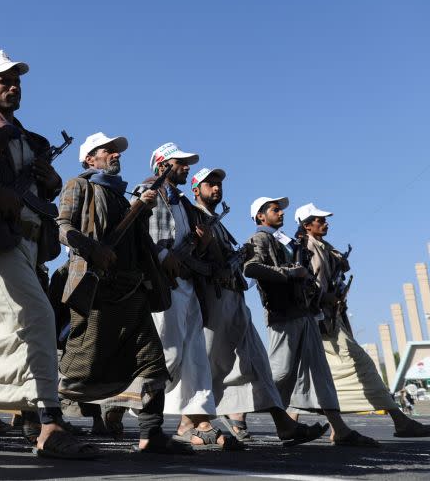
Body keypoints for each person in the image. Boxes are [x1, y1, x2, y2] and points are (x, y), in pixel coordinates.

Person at [0, 50, 100, 459]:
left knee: (4, 331)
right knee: (39, 317)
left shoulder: (31, 141)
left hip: (32, 244)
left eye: (17, 81)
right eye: (3, 81)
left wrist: (49, 184)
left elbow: (41, 197)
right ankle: (50, 422)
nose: (13, 87)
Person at [56, 132, 192, 454]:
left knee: (152, 362)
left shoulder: (121, 195)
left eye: (117, 151)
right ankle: (41, 419)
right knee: (79, 370)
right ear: (90, 159)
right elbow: (62, 227)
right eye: (108, 151)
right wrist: (91, 248)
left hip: (131, 292)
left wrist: (140, 210)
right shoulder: (80, 185)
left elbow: (136, 241)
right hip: (96, 293)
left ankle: (151, 434)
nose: (116, 155)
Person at [189, 169, 327, 446]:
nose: (217, 188)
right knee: (208, 363)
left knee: (257, 362)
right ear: (197, 189)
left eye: (219, 184)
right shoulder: (193, 215)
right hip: (213, 298)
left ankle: (284, 424)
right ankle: (191, 423)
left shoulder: (217, 222)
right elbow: (191, 256)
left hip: (233, 296)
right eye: (210, 184)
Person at [244, 197, 378, 447]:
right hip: (282, 315)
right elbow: (251, 268)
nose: (281, 213)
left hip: (304, 313)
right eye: (275, 210)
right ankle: (238, 415)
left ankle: (340, 430)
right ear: (260, 217)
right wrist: (289, 273)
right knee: (280, 372)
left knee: (320, 372)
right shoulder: (259, 239)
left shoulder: (286, 241)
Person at [133, 143, 237, 450]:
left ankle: (200, 418)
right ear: (163, 164)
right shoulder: (148, 190)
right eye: (181, 162)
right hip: (162, 283)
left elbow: (192, 244)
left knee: (194, 357)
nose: (187, 167)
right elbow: (140, 234)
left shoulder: (182, 203)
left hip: (186, 284)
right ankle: (137, 416)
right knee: (167, 353)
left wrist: (201, 244)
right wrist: (164, 255)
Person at [295, 202, 430, 438]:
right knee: (355, 367)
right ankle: (399, 421)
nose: (326, 222)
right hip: (321, 322)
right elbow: (308, 288)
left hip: (330, 321)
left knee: (315, 374)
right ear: (307, 226)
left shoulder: (324, 247)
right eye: (320, 220)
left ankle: (303, 425)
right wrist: (328, 297)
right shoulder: (306, 248)